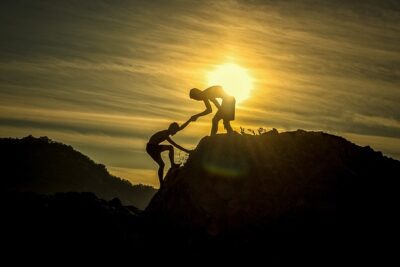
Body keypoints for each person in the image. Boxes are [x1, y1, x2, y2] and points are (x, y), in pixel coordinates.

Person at [146, 120, 191, 187]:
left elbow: (180, 128)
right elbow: (175, 145)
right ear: (172, 129)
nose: (175, 133)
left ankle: (161, 183)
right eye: (175, 131)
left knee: (162, 165)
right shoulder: (165, 134)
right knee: (170, 148)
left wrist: (189, 120)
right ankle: (172, 165)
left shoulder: (167, 132)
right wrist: (187, 151)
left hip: (152, 147)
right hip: (152, 148)